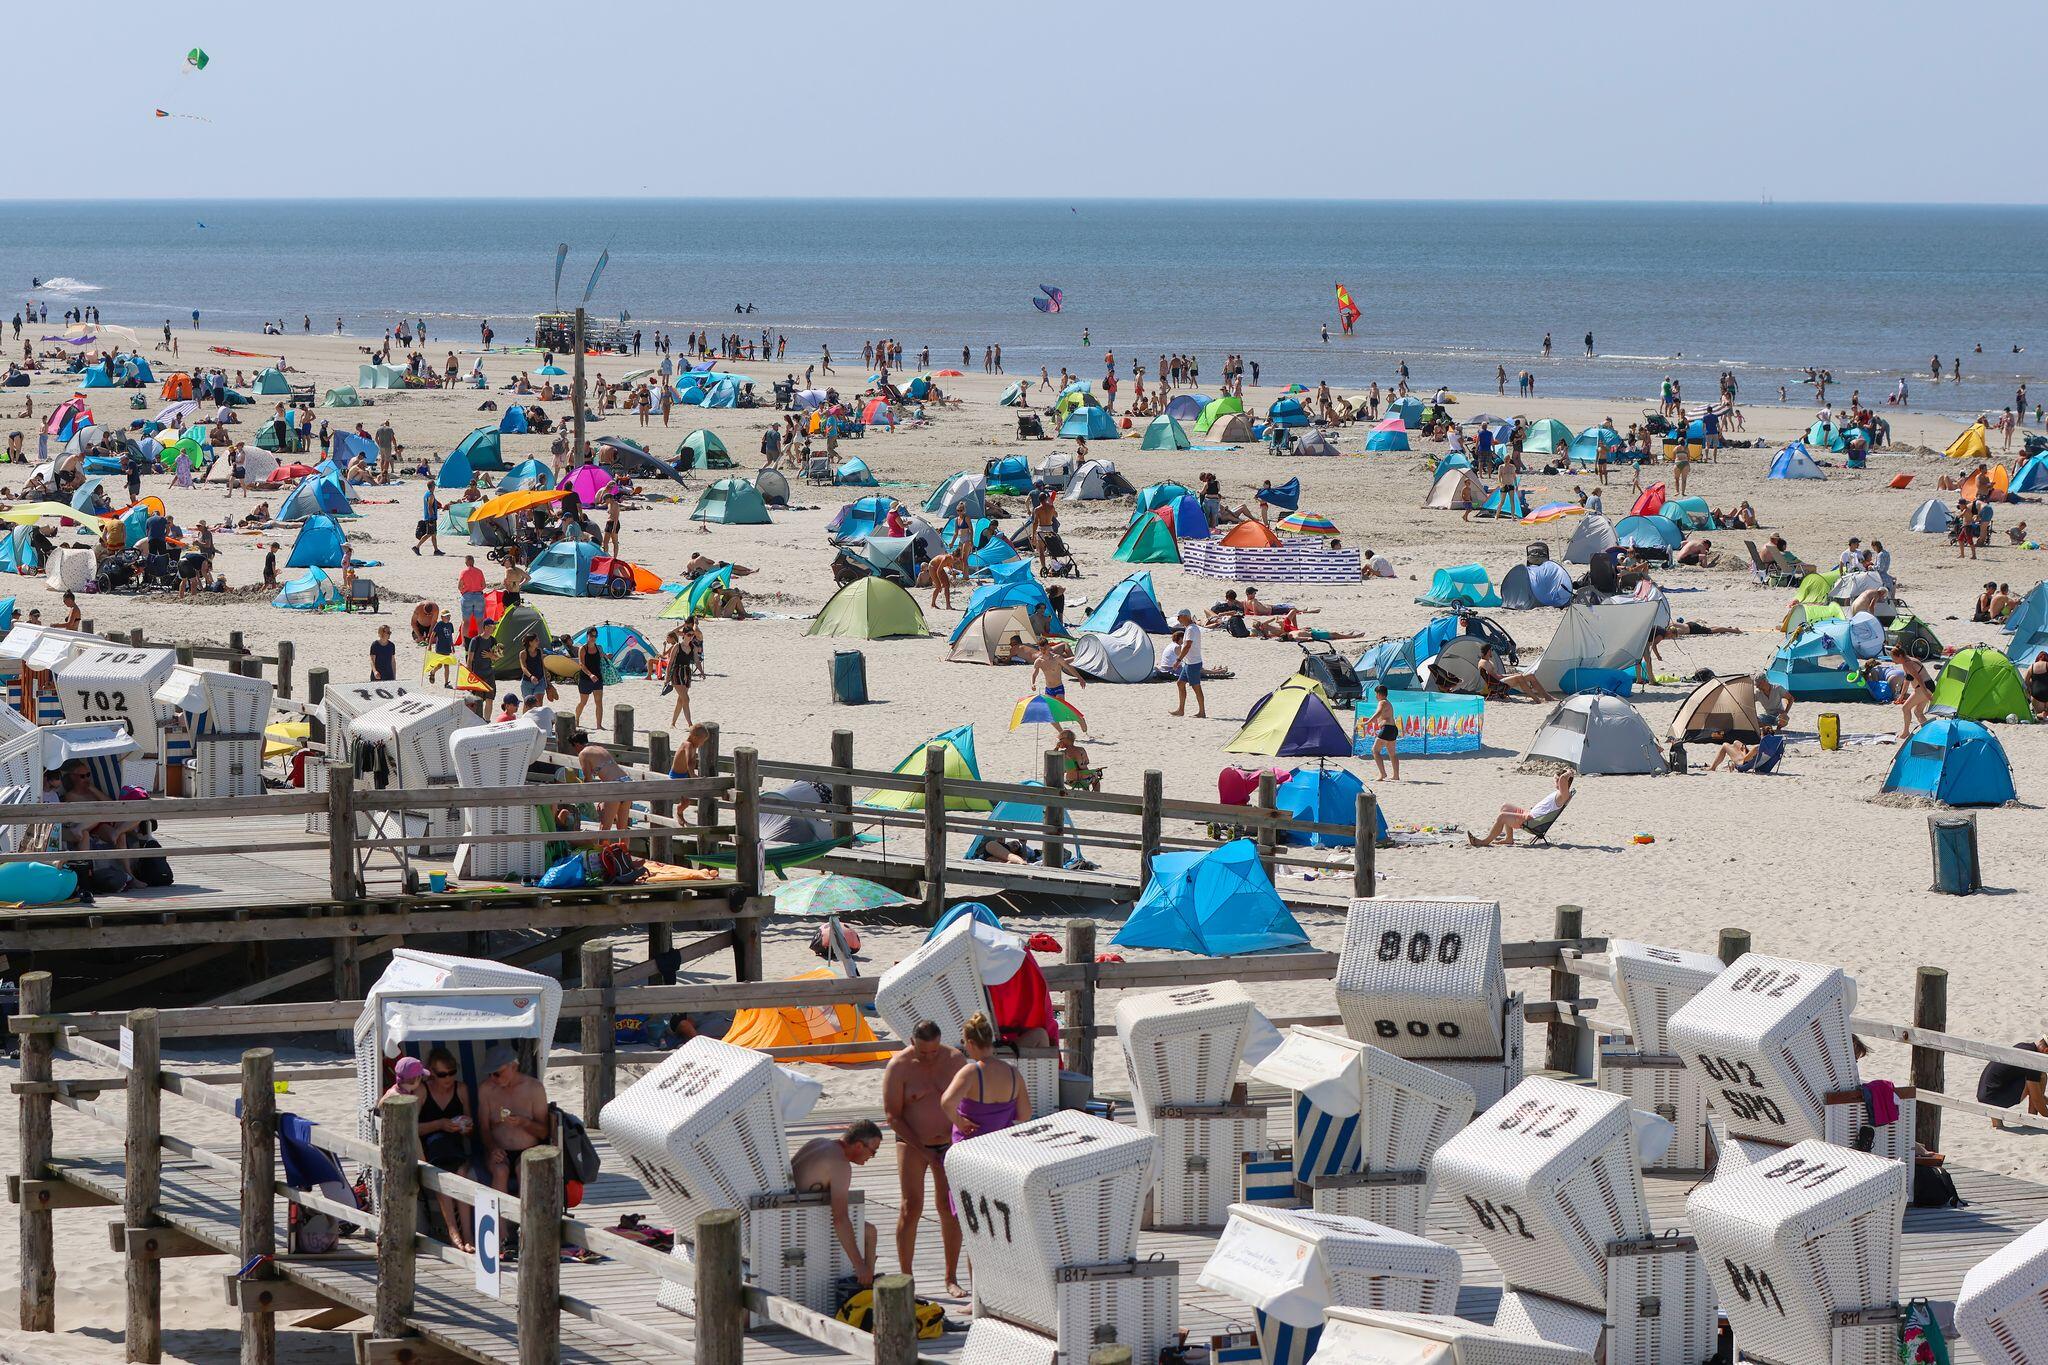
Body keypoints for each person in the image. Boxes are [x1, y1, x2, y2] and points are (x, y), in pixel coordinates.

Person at [939, 1012, 1030, 1295]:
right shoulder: (1013, 1073)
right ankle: (997, 1293)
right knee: (996, 1227)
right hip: (1000, 1156)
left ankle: (979, 1297)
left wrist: (960, 1122)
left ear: (969, 1042)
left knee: (973, 1228)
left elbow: (946, 1102)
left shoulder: (971, 1072)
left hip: (969, 1156)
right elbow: (1025, 1115)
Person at [881, 1023, 964, 1292]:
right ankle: (907, 1277)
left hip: (948, 1144)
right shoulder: (899, 1066)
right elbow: (893, 1116)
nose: (929, 1057)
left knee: (948, 1209)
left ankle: (951, 1278)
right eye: (923, 1052)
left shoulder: (955, 1060)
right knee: (911, 1207)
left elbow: (967, 1101)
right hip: (911, 1142)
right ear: (911, 1041)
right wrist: (923, 1149)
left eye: (934, 1051)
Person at [790, 1120, 882, 1286]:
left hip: (788, 1212)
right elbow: (840, 1219)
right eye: (873, 1152)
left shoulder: (818, 1142)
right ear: (859, 1146)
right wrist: (859, 1265)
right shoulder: (840, 1164)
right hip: (800, 1226)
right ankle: (866, 1282)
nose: (872, 1157)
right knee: (869, 1232)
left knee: (867, 1229)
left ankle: (867, 1280)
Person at [414, 1048, 476, 1250]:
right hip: (431, 1148)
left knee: (461, 1173)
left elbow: (471, 1128)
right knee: (445, 1170)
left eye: (452, 1072)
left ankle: (467, 1234)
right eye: (442, 1074)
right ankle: (453, 1231)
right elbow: (410, 1127)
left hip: (455, 1146)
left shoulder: (461, 1089)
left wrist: (467, 1127)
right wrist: (439, 1124)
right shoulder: (423, 1090)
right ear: (431, 1072)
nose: (448, 1078)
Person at [478, 1044, 549, 1194]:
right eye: (490, 1074)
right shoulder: (486, 1089)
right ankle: (500, 1210)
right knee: (500, 1171)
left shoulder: (534, 1088)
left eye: (497, 1073)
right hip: (498, 1150)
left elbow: (544, 1132)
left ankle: (525, 1210)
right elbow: (483, 1129)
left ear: (514, 1066)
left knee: (523, 1169)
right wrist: (493, 1148)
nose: (493, 1078)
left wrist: (524, 1123)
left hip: (528, 1150)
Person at [1469, 770, 1573, 847]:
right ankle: (1509, 839)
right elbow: (1562, 780)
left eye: (1556, 780)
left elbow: (1563, 779)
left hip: (1533, 821)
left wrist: (1569, 772)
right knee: (1505, 806)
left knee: (1502, 817)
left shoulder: (1563, 795)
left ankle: (1484, 842)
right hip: (1531, 816)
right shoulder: (1560, 793)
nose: (1555, 782)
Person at [1978, 1036, 2048, 1130]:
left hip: (1985, 1094)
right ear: (2046, 1050)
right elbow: (2037, 1099)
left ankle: (1997, 1123)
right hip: (1994, 1097)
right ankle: (2032, 1121)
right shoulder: (2033, 1059)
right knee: (2042, 1076)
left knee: (2032, 1082)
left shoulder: (2023, 1046)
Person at [576, 740, 632, 831]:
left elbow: (588, 780)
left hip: (613, 787)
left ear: (577, 744)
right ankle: (625, 841)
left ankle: (604, 842)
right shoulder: (600, 749)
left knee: (605, 828)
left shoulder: (583, 754)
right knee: (623, 828)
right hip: (626, 782)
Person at [1167, 609, 1206, 717]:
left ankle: (1202, 712)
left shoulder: (1191, 629)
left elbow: (1188, 646)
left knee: (1196, 687)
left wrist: (1178, 660)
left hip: (1193, 663)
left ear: (1186, 616)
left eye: (1179, 617)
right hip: (1189, 662)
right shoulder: (1190, 628)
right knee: (1180, 683)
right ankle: (1181, 710)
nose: (1178, 619)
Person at [1891, 646, 1933, 740]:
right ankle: (1929, 732)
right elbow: (1907, 680)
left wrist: (1926, 693)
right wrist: (1901, 696)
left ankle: (1906, 732)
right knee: (1918, 712)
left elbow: (1919, 678)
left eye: (1894, 658)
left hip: (1924, 687)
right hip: (1928, 686)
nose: (1893, 660)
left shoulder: (1908, 663)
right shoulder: (1906, 661)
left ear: (1900, 656)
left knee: (1905, 708)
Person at [1366, 684, 1400, 781]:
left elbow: (1379, 713)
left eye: (1376, 694)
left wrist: (1368, 721)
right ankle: (1396, 775)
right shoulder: (1388, 703)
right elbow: (1382, 716)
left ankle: (1382, 774)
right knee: (1392, 753)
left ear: (1379, 694)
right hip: (1393, 729)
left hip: (1387, 729)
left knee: (1375, 750)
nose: (1376, 696)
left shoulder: (1382, 702)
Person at [574, 629, 606, 726]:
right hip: (585, 679)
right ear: (587, 636)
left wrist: (607, 656)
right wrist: (590, 675)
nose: (593, 638)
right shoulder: (583, 649)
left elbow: (603, 658)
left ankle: (599, 725)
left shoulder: (599, 648)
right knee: (583, 702)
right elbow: (581, 664)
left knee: (599, 702)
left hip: (598, 678)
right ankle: (576, 719)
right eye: (592, 636)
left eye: (595, 636)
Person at [457, 556, 487, 639]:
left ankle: (465, 642)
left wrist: (463, 591)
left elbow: (460, 586)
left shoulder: (464, 572)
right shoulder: (479, 571)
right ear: (473, 562)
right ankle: (481, 641)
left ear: (466, 562)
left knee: (466, 622)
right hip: (478, 596)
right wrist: (478, 589)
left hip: (467, 596)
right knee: (480, 622)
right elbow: (484, 585)